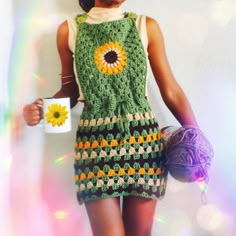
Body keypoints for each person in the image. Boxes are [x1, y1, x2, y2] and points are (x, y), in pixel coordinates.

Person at [23, 0, 198, 235]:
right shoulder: (69, 30)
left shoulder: (145, 26)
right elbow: (71, 93)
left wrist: (196, 141)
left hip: (145, 148)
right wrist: (45, 110)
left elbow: (171, 90)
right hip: (95, 150)